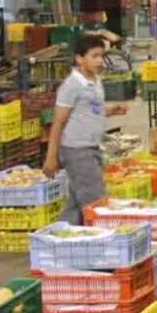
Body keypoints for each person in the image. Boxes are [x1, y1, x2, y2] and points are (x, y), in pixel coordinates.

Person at [45, 35, 129, 223]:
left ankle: (60, 240)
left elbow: (90, 109)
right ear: (80, 58)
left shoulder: (96, 81)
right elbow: (58, 122)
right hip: (76, 150)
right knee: (95, 202)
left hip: (91, 148)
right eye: (94, 56)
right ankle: (101, 244)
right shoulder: (71, 86)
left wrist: (110, 110)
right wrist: (51, 158)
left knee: (76, 205)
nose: (99, 61)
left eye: (101, 56)